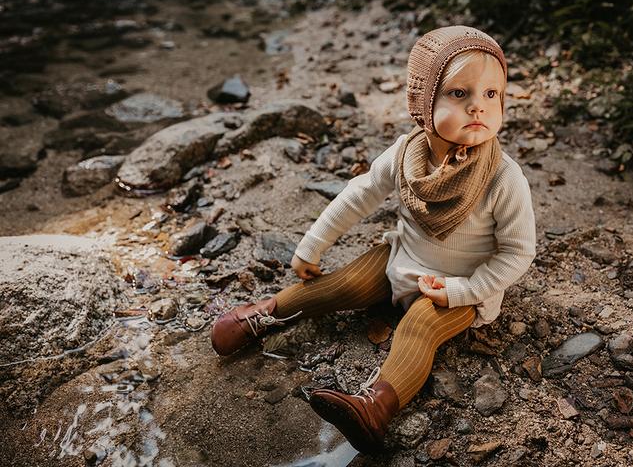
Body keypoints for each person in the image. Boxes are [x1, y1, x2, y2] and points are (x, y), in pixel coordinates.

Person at [210, 25, 536, 454]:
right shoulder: (405, 153)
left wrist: (463, 290)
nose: (479, 105)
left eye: (492, 94)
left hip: (460, 286)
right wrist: (312, 245)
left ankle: (373, 406)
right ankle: (266, 314)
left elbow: (518, 251)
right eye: (460, 93)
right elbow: (359, 194)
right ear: (424, 102)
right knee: (342, 283)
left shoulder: (503, 177)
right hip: (402, 256)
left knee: (419, 327)